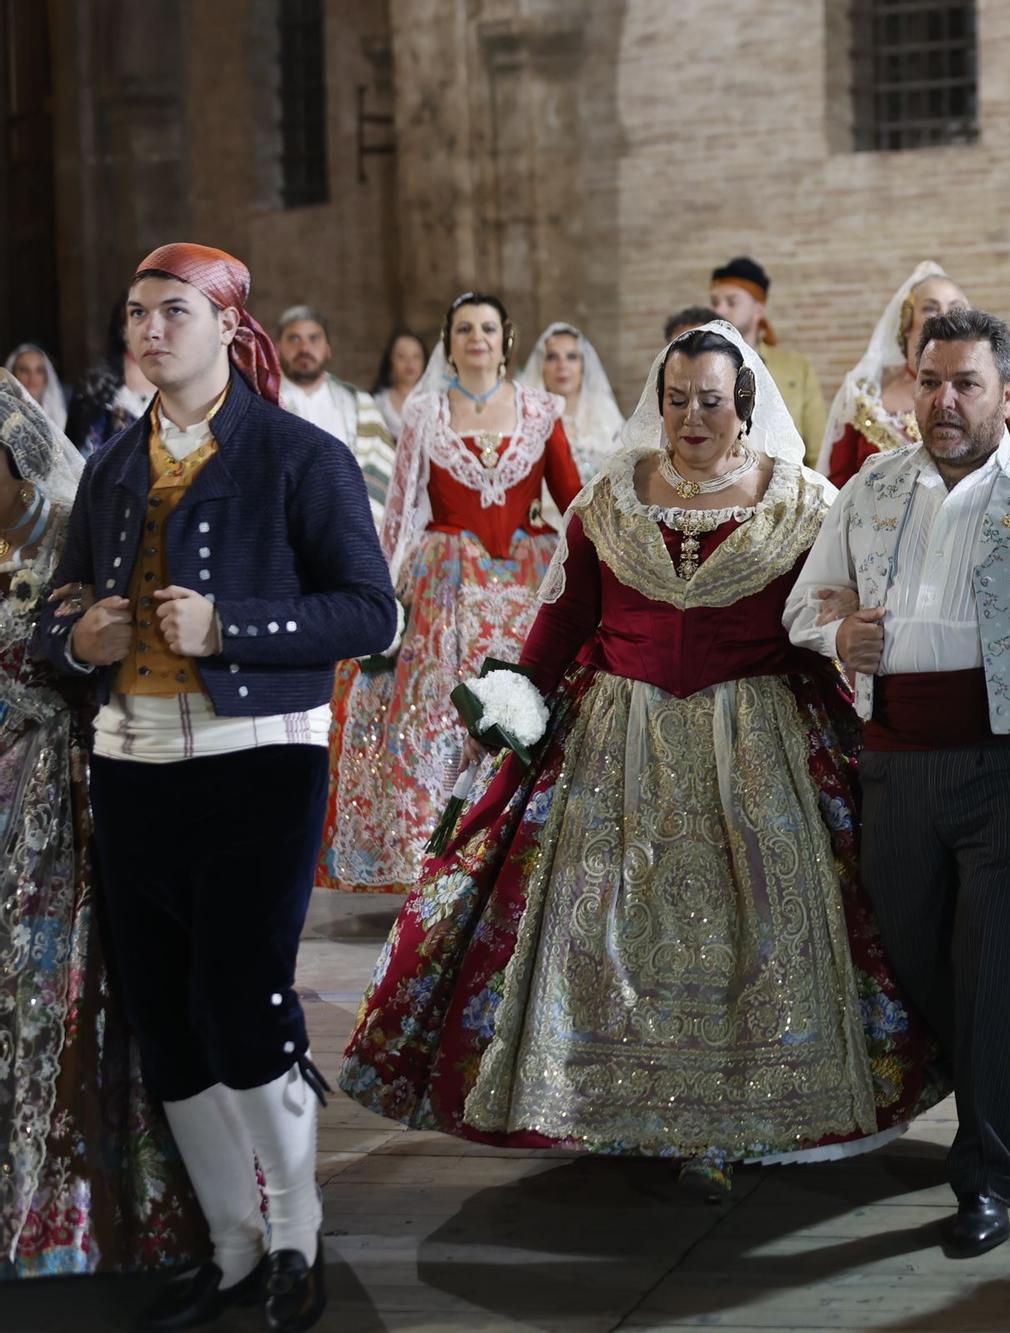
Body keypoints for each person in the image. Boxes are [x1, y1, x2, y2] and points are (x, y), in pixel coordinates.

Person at [341, 321, 953, 1203]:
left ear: (743, 404)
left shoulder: (803, 502)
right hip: (614, 745)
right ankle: (607, 1107)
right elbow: (559, 626)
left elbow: (828, 616)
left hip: (765, 744)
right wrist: (515, 705)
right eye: (677, 400)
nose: (692, 417)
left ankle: (754, 1113)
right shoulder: (609, 502)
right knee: (600, 936)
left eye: (711, 400)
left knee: (778, 930)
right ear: (657, 401)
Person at [36, 243, 396, 1331]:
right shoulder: (106, 468)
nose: (150, 330)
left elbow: (368, 614)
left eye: (174, 312)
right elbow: (61, 612)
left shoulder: (299, 455)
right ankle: (232, 1250)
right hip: (132, 764)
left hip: (263, 761)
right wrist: (78, 640)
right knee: (166, 1019)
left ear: (228, 324)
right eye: (138, 313)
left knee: (244, 1002)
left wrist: (233, 625)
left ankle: (295, 1235)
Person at [787, 308, 1010, 1257]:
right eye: (930, 382)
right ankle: (1008, 1054)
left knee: (996, 964)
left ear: (1007, 394)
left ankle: (986, 1172)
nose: (944, 403)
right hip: (897, 760)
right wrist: (838, 635)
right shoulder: (867, 487)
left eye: (967, 384)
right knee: (912, 953)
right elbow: (806, 600)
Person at [0, 370, 203, 1283]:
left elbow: (117, 644)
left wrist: (73, 650)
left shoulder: (81, 534)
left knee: (79, 989)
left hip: (73, 795)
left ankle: (88, 1208)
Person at [321, 292, 582, 896]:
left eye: (487, 328)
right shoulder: (426, 412)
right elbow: (400, 506)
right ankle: (432, 852)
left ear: (506, 338)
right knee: (436, 709)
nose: (477, 338)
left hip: (524, 578)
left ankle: (517, 849)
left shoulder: (540, 410)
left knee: (526, 707)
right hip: (445, 581)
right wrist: (377, 589)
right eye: (464, 329)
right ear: (450, 340)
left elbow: (570, 495)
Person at [819, 263, 968, 489]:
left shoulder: (981, 393)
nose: (944, 318)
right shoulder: (866, 399)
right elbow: (837, 488)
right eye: (930, 308)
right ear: (907, 324)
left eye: (955, 308)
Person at [276, 306, 397, 529]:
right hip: (284, 526)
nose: (304, 348)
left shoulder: (358, 403)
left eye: (314, 338)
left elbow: (381, 468)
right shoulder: (264, 402)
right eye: (293, 339)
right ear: (277, 348)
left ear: (328, 349)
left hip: (352, 526)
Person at [708, 257, 827, 460]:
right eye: (715, 303)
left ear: (758, 310)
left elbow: (820, 450)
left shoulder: (796, 368)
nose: (719, 310)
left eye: (731, 301)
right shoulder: (705, 367)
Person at [520, 321, 622, 482]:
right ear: (542, 367)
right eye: (552, 357)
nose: (562, 366)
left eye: (571, 357)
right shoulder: (527, 421)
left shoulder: (605, 417)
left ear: (583, 365)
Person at [69, 303, 157, 456]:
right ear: (123, 330)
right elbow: (76, 447)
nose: (149, 330)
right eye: (138, 316)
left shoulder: (179, 376)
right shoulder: (97, 383)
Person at [371, 330, 427, 444]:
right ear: (390, 361)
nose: (410, 362)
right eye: (401, 356)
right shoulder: (378, 403)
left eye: (416, 356)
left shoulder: (437, 402)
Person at [4, 343, 68, 439]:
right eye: (24, 370)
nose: (32, 379)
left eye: (39, 371)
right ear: (12, 375)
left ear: (46, 378)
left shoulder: (60, 417)